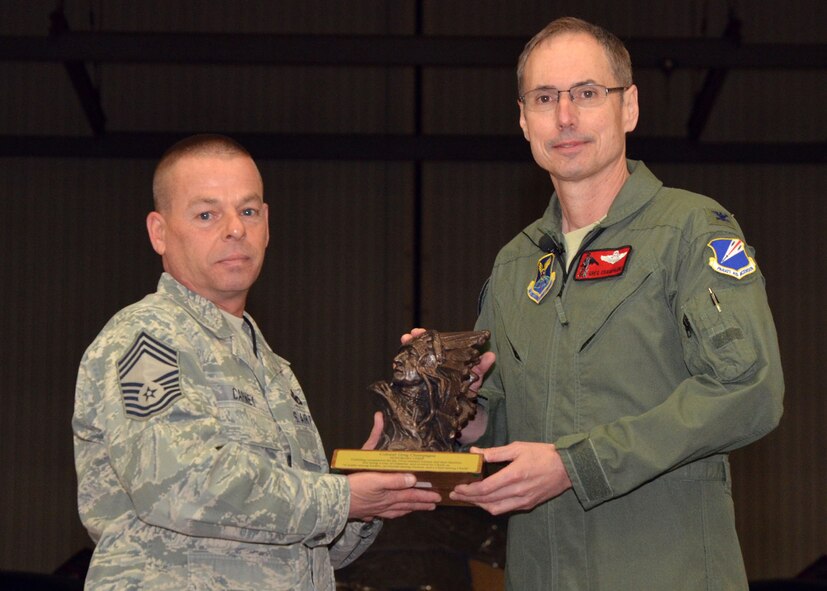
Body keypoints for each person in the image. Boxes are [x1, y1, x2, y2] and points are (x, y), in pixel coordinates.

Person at [447, 16, 784, 590]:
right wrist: (457, 410)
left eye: (586, 94)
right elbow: (505, 421)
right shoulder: (515, 266)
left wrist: (578, 464)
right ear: (524, 120)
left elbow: (749, 392)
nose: (566, 117)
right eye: (545, 97)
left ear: (628, 108)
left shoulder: (691, 233)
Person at [72, 134, 441, 591]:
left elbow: (312, 547)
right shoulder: (147, 339)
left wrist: (374, 490)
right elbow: (183, 488)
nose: (234, 229)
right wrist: (342, 497)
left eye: (247, 212)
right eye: (207, 214)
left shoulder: (271, 368)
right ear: (159, 232)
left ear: (266, 225)